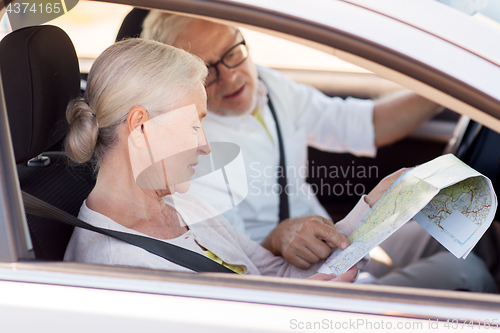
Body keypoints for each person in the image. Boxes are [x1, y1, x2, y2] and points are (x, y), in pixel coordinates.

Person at [139, 12, 497, 292]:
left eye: (233, 53)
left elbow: (362, 124)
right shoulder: (191, 146)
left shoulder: (270, 86)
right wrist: (278, 239)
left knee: (468, 229)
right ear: (183, 81)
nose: (231, 77)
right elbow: (231, 259)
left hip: (340, 243)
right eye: (208, 71)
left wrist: (457, 85)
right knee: (467, 273)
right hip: (299, 285)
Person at [63, 37, 374, 281]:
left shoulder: (185, 207)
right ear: (141, 127)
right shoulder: (115, 267)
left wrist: (372, 211)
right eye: (193, 125)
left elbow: (274, 275)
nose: (205, 145)